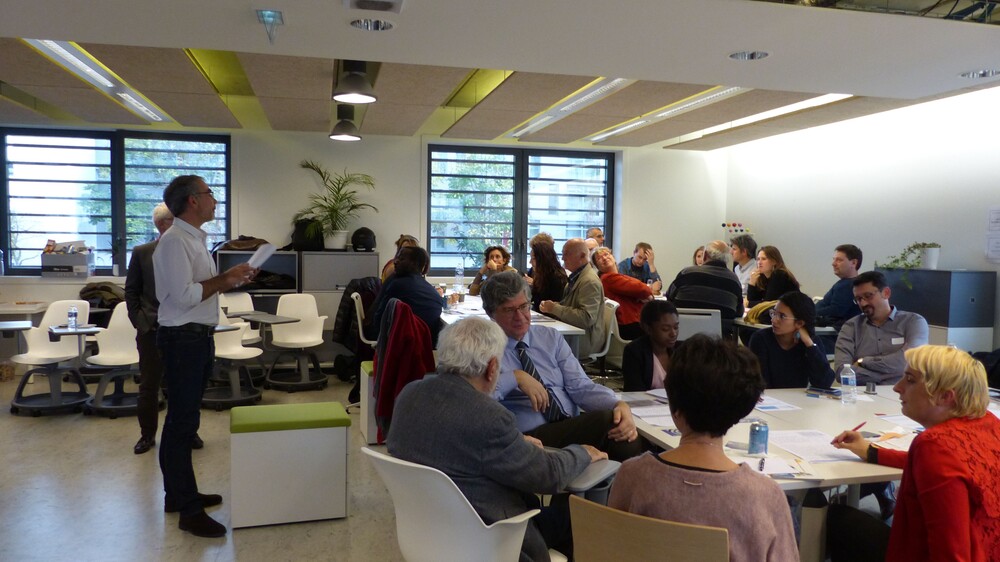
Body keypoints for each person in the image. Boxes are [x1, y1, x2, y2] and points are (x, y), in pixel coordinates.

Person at [387, 316, 607, 562]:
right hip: (494, 538)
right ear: (492, 368)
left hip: (431, 532)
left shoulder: (409, 395)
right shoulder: (489, 417)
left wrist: (515, 443)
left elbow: (456, 445)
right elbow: (549, 476)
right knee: (586, 516)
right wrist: (582, 452)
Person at [608, 334, 798, 562]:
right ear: (739, 413)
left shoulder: (632, 476)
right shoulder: (765, 496)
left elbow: (610, 550)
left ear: (674, 408)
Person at [829, 345, 1000, 562]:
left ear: (945, 396)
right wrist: (871, 452)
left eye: (910, 380)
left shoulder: (935, 445)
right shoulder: (989, 423)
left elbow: (950, 553)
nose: (897, 387)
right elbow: (947, 469)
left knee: (836, 517)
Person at [153, 175, 255, 538]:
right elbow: (184, 297)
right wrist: (225, 279)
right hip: (182, 339)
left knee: (186, 420)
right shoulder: (174, 241)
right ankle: (188, 510)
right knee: (181, 423)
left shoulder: (195, 239)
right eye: (209, 193)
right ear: (193, 201)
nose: (215, 199)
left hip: (196, 337)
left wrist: (231, 279)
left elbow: (201, 290)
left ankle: (179, 495)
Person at [482, 271, 644, 461]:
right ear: (492, 314)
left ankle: (627, 473)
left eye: (524, 306)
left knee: (620, 423)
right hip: (527, 437)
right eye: (509, 310)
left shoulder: (550, 338)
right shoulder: (484, 349)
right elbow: (476, 400)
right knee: (609, 424)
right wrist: (515, 377)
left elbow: (580, 386)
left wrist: (617, 403)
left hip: (568, 424)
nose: (520, 316)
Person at [126, 204, 206, 455]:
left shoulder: (192, 248)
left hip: (185, 327)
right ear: (162, 224)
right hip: (152, 328)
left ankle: (188, 432)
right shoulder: (142, 252)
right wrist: (140, 321)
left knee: (185, 386)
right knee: (149, 385)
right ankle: (147, 435)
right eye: (175, 220)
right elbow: (131, 291)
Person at [835, 271, 929, 385]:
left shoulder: (913, 322)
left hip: (904, 392)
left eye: (868, 296)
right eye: (858, 299)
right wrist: (887, 377)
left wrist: (863, 362)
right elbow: (842, 372)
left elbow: (911, 361)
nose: (863, 303)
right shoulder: (851, 327)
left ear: (886, 293)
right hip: (862, 393)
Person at [748, 291, 835, 389]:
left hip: (796, 397)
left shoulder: (811, 342)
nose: (774, 320)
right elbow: (760, 383)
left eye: (782, 316)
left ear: (799, 323)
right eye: (774, 313)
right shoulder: (761, 339)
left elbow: (824, 383)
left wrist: (809, 345)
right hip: (770, 397)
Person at [539, 238, 606, 358]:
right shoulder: (576, 277)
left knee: (538, 345)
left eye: (567, 254)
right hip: (575, 334)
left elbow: (586, 318)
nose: (563, 258)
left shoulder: (589, 281)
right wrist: (553, 307)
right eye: (563, 254)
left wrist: (554, 308)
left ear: (582, 256)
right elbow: (569, 307)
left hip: (585, 340)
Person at [367, 246, 444, 346]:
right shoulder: (431, 290)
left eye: (401, 259)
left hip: (404, 342)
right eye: (397, 258)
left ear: (414, 263)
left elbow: (380, 318)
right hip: (428, 343)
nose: (395, 262)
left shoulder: (396, 283)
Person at [666, 240, 744, 321]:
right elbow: (739, 312)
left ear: (705, 255)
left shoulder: (686, 273)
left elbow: (669, 297)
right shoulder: (734, 280)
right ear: (727, 259)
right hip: (720, 329)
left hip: (683, 327)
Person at [592, 247, 652, 340]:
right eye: (599, 258)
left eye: (606, 254)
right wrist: (647, 294)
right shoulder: (608, 279)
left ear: (613, 257)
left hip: (632, 323)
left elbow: (640, 287)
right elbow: (645, 290)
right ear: (597, 267)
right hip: (630, 325)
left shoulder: (616, 276)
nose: (604, 258)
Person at [622, 300, 681, 391]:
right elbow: (634, 389)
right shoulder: (635, 351)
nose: (673, 333)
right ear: (648, 328)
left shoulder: (681, 350)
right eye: (665, 329)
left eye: (676, 327)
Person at [815, 244, 863, 330]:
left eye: (839, 260)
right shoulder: (846, 283)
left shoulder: (847, 286)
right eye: (834, 259)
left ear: (853, 263)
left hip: (829, 332)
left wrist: (809, 313)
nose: (833, 264)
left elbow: (836, 311)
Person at [524, 238, 567, 312]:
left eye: (533, 259)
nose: (530, 262)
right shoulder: (539, 274)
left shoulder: (557, 278)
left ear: (543, 259)